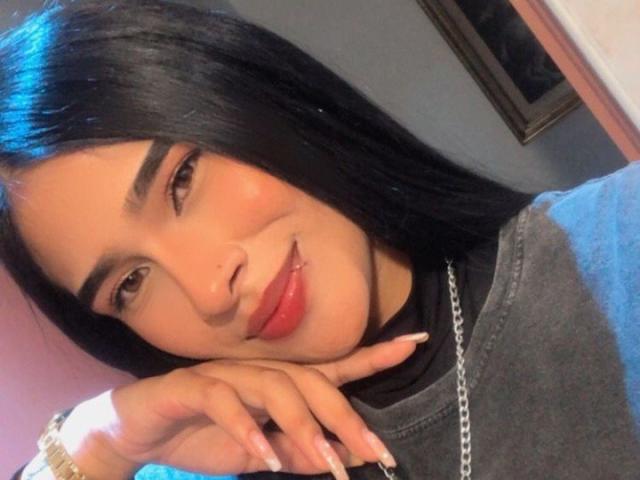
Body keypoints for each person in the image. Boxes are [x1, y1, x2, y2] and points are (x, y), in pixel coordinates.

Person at [1, 1, 638, 479]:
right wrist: (97, 439)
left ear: (252, 98)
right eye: (130, 284)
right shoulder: (198, 458)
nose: (209, 290)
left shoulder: (616, 245)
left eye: (182, 180)